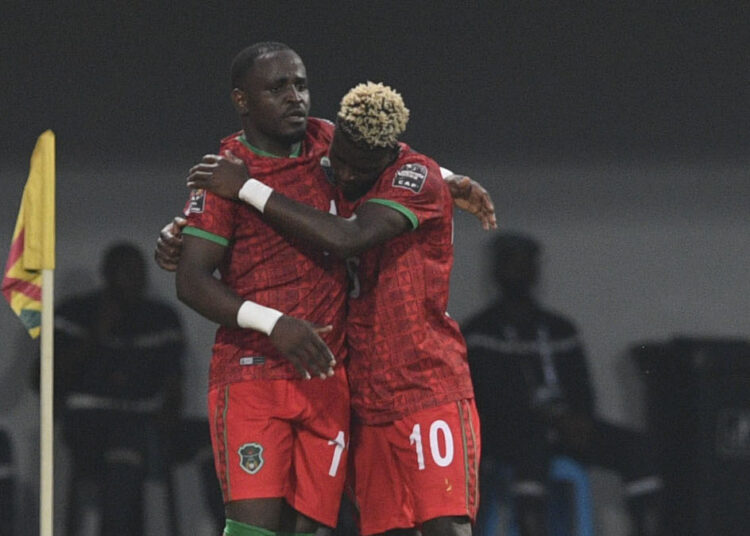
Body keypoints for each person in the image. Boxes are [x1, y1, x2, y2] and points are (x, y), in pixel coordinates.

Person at [158, 41, 495, 536]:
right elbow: (191, 280)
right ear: (241, 100)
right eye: (277, 88)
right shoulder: (224, 170)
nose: (295, 97)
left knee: (312, 530)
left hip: (331, 375)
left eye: (300, 84)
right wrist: (272, 322)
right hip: (253, 370)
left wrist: (450, 176)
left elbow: (387, 165)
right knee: (254, 530)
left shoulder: (326, 143)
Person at [461, 232, 665, 536]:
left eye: (527, 265)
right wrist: (552, 419)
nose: (521, 272)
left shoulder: (560, 329)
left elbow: (582, 387)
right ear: (498, 271)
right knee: (530, 450)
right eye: (513, 264)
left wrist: (580, 418)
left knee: (636, 448)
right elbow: (489, 397)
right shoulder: (480, 332)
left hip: (568, 430)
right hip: (508, 436)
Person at [53, 242, 185, 535]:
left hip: (145, 421)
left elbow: (174, 381)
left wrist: (169, 417)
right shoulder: (76, 312)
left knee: (206, 440)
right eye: (125, 271)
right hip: (88, 422)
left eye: (140, 271)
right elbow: (44, 378)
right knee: (121, 448)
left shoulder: (161, 318)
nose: (134, 279)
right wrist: (97, 333)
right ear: (106, 274)